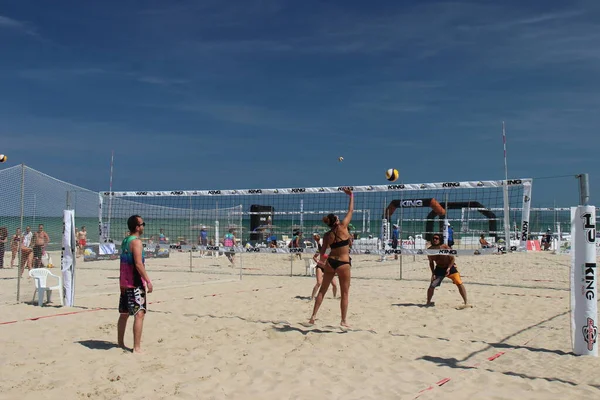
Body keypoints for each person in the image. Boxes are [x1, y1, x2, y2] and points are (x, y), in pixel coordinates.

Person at [309, 187, 354, 327]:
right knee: (345, 293)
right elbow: (350, 210)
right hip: (343, 263)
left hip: (330, 262)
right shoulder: (343, 227)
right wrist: (351, 195)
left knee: (323, 290)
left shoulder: (327, 235)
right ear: (336, 220)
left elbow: (322, 253)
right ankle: (343, 320)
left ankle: (313, 317)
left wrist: (321, 262)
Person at [117, 215, 153, 354]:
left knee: (124, 313)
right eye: (142, 224)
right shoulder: (136, 242)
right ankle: (136, 348)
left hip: (124, 283)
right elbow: (138, 264)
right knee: (139, 314)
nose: (144, 226)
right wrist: (148, 281)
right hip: (134, 283)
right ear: (137, 227)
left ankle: (120, 343)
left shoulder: (126, 240)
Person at [426, 234, 470, 308]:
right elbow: (431, 262)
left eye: (436, 238)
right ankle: (428, 302)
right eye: (433, 238)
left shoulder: (445, 247)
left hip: (450, 266)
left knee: (459, 283)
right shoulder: (430, 250)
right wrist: (433, 273)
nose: (435, 240)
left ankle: (466, 302)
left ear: (440, 240)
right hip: (439, 268)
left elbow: (452, 259)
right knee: (432, 286)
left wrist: (449, 268)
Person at [310, 235, 338, 300]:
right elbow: (314, 257)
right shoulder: (322, 249)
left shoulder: (330, 250)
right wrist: (318, 262)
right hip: (320, 267)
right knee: (319, 282)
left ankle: (334, 297)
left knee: (334, 285)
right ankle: (311, 298)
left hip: (328, 268)